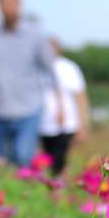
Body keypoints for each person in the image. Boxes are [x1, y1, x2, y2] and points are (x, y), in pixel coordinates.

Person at [0, 0, 60, 167]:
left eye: (13, 2)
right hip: (1, 109)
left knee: (23, 157)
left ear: (20, 3)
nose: (9, 6)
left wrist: (60, 105)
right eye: (5, 2)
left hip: (30, 108)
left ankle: (26, 190)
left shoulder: (35, 35)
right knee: (3, 161)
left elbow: (51, 71)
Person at [38, 38, 91, 176]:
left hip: (67, 123)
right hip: (43, 123)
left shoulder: (69, 67)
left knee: (60, 159)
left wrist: (83, 125)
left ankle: (60, 189)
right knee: (48, 160)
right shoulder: (37, 67)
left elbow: (81, 98)